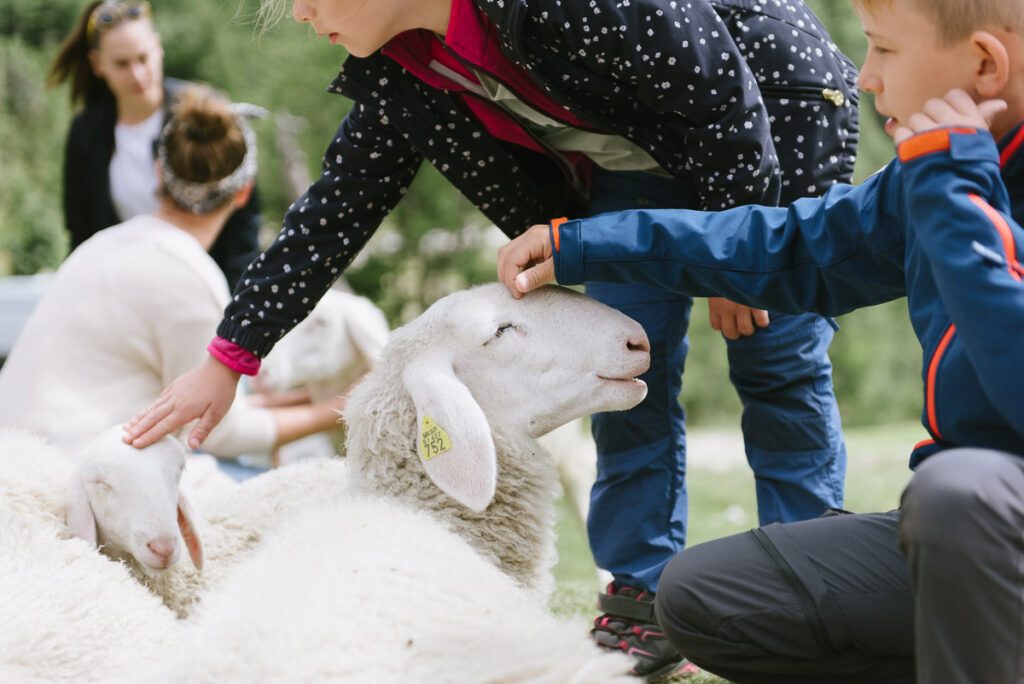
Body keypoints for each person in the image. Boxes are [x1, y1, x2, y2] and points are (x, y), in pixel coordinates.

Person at [123, 0, 859, 674]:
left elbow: (717, 86)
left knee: (775, 356)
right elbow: (334, 212)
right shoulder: (407, 69)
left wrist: (740, 257)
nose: (305, 16)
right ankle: (644, 598)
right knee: (626, 371)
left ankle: (807, 593)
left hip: (771, 110)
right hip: (635, 157)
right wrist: (229, 359)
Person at [496, 0, 1024, 679]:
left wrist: (955, 196)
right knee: (703, 598)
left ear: (984, 62)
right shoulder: (935, 179)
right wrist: (581, 244)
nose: (866, 78)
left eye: (885, 50)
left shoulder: (947, 180)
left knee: (958, 489)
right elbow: (784, 247)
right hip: (973, 540)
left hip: (978, 511)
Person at [0, 87, 345, 462]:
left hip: (18, 454)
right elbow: (217, 432)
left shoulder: (101, 244)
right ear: (243, 192)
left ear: (159, 170)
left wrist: (303, 398)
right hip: (72, 471)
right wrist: (341, 405)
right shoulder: (191, 278)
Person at [49, 0, 261, 289]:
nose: (137, 74)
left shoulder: (200, 113)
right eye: (122, 63)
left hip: (205, 285)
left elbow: (243, 222)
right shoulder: (86, 132)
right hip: (123, 294)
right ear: (97, 64)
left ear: (158, 48)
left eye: (143, 58)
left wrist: (233, 309)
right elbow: (81, 232)